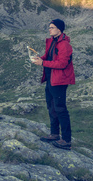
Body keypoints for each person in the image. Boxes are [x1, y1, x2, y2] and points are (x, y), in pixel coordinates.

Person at [31, 18, 75, 150]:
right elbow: (48, 56)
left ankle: (66, 140)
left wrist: (43, 63)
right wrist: (41, 59)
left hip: (59, 81)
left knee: (61, 109)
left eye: (52, 27)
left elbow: (62, 64)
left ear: (59, 29)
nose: (49, 29)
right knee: (52, 107)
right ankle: (55, 134)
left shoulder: (65, 45)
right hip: (51, 79)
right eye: (49, 27)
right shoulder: (52, 41)